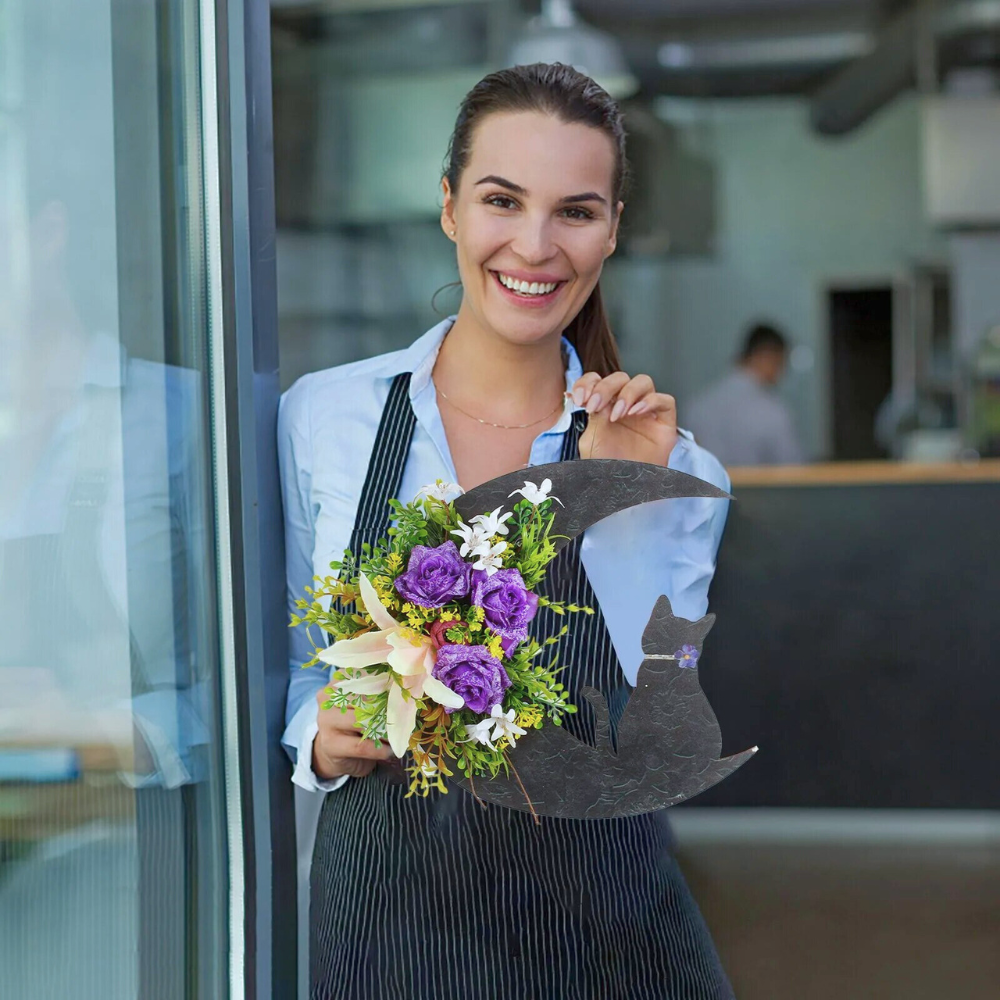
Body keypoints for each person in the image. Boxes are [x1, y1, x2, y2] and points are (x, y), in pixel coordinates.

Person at [280, 63, 734, 999]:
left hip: (608, 939)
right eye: (501, 199)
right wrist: (314, 739)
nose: (534, 245)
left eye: (574, 211)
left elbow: (659, 720)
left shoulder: (680, 470)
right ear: (449, 208)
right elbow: (286, 664)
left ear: (612, 230)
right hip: (385, 934)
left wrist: (623, 490)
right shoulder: (324, 419)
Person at [687, 323, 805, 467]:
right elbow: (794, 472)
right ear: (769, 357)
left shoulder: (699, 405)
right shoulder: (773, 411)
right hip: (759, 490)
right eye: (782, 363)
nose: (782, 373)